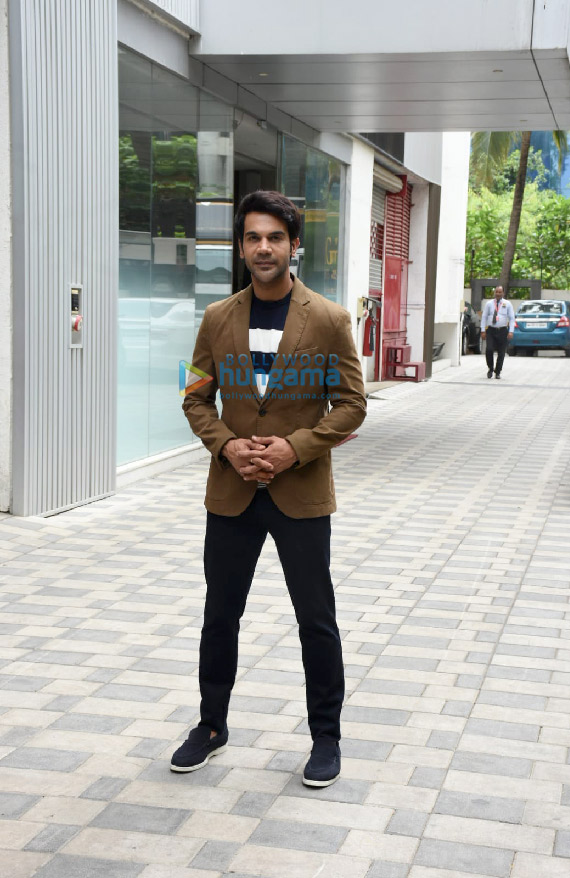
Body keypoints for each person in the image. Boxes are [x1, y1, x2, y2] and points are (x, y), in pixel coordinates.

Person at [171, 190, 366, 787]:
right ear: (240, 246)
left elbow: (353, 403)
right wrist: (228, 445)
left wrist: (294, 447)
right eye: (253, 237)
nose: (263, 247)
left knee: (316, 619)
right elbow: (195, 396)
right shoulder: (215, 319)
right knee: (219, 615)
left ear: (294, 245)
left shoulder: (329, 320)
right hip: (232, 494)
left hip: (300, 495)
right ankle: (211, 725)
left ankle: (326, 738)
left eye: (274, 237)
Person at [480, 285, 515, 379]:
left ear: (503, 293)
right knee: (489, 349)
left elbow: (512, 318)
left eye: (500, 292)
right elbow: (484, 317)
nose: (498, 294)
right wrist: (483, 330)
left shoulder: (507, 304)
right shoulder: (489, 304)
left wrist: (511, 331)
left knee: (501, 352)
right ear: (494, 292)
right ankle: (490, 368)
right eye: (496, 292)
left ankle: (498, 371)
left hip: (502, 330)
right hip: (491, 330)